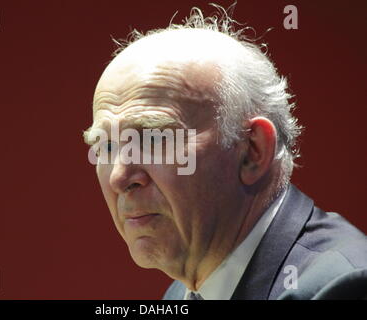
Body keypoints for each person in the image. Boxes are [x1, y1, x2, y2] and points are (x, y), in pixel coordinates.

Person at [83, 5, 367, 300]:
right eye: (106, 146)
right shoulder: (183, 292)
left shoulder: (342, 288)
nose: (119, 177)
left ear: (252, 151)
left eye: (154, 139)